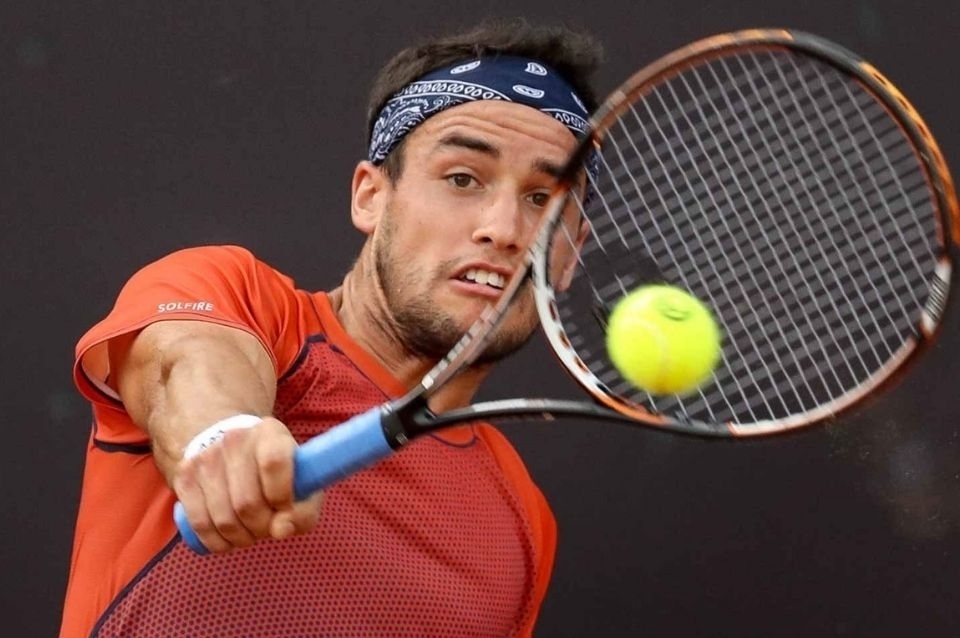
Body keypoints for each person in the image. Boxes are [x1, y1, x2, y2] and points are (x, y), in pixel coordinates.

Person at [59, 17, 604, 638]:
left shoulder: (521, 523)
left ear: (570, 254)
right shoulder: (235, 295)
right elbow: (185, 360)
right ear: (371, 196)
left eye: (543, 199)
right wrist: (223, 436)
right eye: (462, 179)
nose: (504, 229)